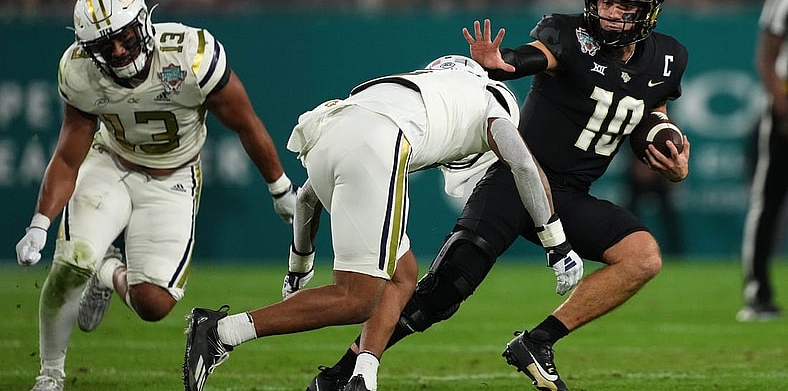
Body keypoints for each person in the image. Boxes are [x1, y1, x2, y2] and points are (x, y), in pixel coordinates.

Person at [304, 0, 690, 390]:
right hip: (515, 180)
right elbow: (534, 57)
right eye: (604, 1)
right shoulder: (568, 35)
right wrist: (503, 61)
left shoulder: (668, 58)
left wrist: (669, 147)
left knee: (643, 257)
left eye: (623, 5)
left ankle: (538, 342)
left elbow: (651, 110)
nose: (610, 13)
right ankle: (340, 375)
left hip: (569, 196)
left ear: (648, 11)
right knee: (441, 293)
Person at [182, 55, 585, 391]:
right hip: (379, 143)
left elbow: (306, 198)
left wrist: (299, 265)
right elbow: (523, 165)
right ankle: (223, 332)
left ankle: (362, 375)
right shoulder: (490, 101)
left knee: (402, 276)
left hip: (327, 133)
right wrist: (556, 241)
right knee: (357, 298)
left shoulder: (415, 92)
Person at [13, 0, 298, 391]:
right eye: (104, 45)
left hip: (173, 176)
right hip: (111, 164)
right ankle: (50, 375)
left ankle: (107, 271)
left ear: (144, 23)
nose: (117, 51)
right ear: (87, 49)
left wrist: (279, 187)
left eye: (124, 37)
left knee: (153, 303)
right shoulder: (80, 71)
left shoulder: (191, 55)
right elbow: (69, 155)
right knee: (72, 262)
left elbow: (246, 123)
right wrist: (40, 222)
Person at [737, 0, 788, 322]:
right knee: (767, 201)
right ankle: (758, 292)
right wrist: (781, 105)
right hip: (785, 108)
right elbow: (766, 56)